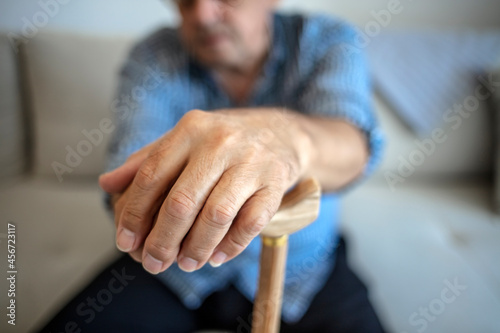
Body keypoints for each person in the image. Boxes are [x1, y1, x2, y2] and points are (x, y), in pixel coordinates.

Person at [39, 0, 385, 332]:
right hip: (172, 268)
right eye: (187, 1)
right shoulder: (154, 56)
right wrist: (143, 202)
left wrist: (289, 139)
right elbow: (130, 186)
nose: (203, 14)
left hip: (304, 268)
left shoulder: (325, 39)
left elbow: (353, 146)